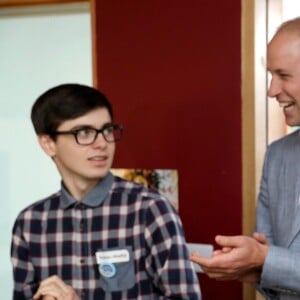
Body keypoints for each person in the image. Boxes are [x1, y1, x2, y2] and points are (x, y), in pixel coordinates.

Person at [11, 83, 201, 300]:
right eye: (84, 132)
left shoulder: (150, 210)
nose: (102, 143)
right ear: (48, 143)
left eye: (107, 130)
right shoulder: (30, 224)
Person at [190, 16, 300, 299]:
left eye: (283, 75)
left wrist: (266, 261)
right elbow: (271, 263)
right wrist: (256, 271)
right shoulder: (277, 157)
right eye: (271, 76)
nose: (272, 90)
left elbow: (270, 258)